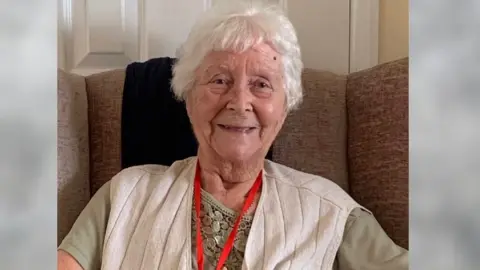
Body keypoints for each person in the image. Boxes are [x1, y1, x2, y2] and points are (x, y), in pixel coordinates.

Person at [57, 1, 408, 269]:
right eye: (220, 80)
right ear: (189, 99)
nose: (240, 102)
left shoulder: (329, 212)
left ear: (284, 109)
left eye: (261, 85)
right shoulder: (125, 194)